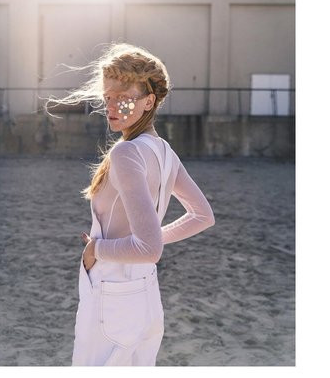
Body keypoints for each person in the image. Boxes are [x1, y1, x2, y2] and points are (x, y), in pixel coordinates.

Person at [48, 43, 215, 366]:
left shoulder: (126, 152)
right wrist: (151, 236)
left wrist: (96, 249)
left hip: (114, 294)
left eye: (122, 98)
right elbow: (202, 216)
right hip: (145, 294)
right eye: (107, 97)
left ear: (148, 101)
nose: (111, 106)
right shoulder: (164, 151)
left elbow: (150, 248)